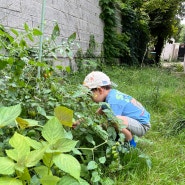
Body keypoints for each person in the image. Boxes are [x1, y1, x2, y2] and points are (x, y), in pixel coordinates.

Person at [75, 71, 151, 147]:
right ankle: (123, 138)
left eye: (90, 94)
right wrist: (80, 121)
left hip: (142, 125)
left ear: (100, 90)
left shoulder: (113, 102)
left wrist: (97, 128)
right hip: (135, 121)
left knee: (115, 121)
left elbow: (113, 122)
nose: (90, 98)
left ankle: (131, 144)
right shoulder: (111, 95)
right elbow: (96, 114)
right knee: (112, 122)